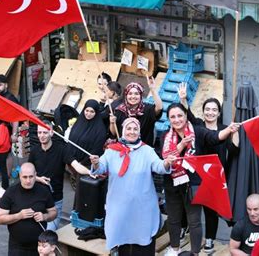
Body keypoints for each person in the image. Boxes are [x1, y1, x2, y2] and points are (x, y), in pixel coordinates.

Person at [161, 103, 239, 256]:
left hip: (193, 184)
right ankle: (174, 248)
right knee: (174, 218)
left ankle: (194, 252)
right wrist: (181, 145)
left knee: (194, 220)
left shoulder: (197, 131)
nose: (177, 120)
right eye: (173, 117)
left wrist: (229, 130)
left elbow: (215, 137)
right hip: (172, 183)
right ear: (169, 119)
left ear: (185, 116)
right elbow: (164, 159)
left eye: (180, 115)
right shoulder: (166, 136)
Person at [90, 117, 176, 255]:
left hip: (142, 207)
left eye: (135, 129)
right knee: (123, 240)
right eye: (128, 128)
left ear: (139, 132)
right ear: (123, 131)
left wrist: (166, 163)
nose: (132, 131)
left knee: (142, 243)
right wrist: (95, 163)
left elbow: (159, 166)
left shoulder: (147, 151)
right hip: (119, 206)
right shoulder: (112, 151)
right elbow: (101, 168)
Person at [179, 84, 240, 252]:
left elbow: (234, 151)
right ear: (203, 111)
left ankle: (210, 239)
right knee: (191, 205)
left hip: (215, 177)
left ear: (219, 113)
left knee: (211, 211)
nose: (210, 112)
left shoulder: (224, 129)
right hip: (196, 174)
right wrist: (183, 98)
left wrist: (234, 133)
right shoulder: (198, 125)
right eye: (207, 109)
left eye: (214, 110)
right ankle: (186, 229)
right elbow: (188, 115)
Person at [28, 122, 90, 231]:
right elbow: (27, 174)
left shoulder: (62, 149)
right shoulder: (34, 151)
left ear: (51, 133)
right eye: (39, 132)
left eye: (45, 132)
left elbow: (76, 165)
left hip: (55, 200)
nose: (41, 135)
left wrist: (91, 173)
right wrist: (38, 179)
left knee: (49, 234)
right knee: (36, 234)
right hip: (38, 199)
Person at [0, 162, 57, 256]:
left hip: (39, 247)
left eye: (31, 177)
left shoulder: (43, 191)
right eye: (25, 177)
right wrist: (19, 215)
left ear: (36, 175)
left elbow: (53, 212)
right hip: (17, 247)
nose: (28, 181)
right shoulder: (11, 192)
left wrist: (45, 216)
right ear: (20, 176)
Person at [111, 79, 163, 146]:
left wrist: (152, 89)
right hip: (124, 150)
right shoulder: (119, 111)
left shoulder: (147, 110)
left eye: (136, 93)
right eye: (130, 94)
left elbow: (159, 107)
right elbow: (114, 133)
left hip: (143, 151)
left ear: (141, 95)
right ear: (126, 95)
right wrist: (112, 123)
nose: (133, 96)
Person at [68, 100, 107, 167]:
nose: (88, 114)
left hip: (86, 165)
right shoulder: (79, 122)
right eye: (87, 110)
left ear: (96, 112)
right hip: (71, 161)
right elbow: (70, 140)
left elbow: (96, 149)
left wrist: (82, 163)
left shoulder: (100, 130)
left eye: (92, 111)